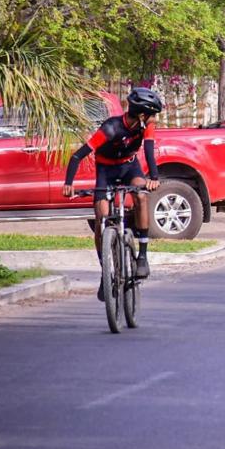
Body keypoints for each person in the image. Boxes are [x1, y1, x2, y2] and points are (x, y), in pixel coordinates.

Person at [62, 88, 163, 295]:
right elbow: (77, 156)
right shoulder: (110, 128)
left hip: (129, 166)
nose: (154, 119)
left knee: (141, 196)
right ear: (142, 114)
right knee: (101, 218)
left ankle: (142, 255)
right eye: (152, 114)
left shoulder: (147, 127)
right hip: (106, 169)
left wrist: (154, 178)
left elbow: (150, 153)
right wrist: (68, 183)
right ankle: (105, 274)